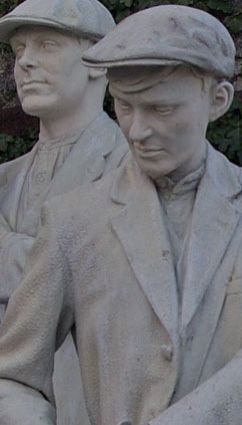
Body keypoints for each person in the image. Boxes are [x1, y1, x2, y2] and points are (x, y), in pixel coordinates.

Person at [0, 5, 242, 425]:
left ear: (218, 100)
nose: (137, 131)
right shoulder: (71, 222)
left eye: (161, 109)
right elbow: (16, 376)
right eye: (125, 107)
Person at [0, 0, 125, 424]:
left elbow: (107, 281)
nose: (25, 63)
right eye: (19, 50)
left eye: (47, 45)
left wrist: (9, 250)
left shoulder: (132, 170)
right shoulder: (4, 180)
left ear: (98, 63)